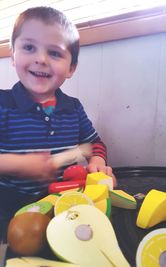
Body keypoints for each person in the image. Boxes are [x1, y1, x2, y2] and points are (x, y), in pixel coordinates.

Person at [0, 6, 116, 215]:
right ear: (13, 56)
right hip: (10, 210)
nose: (41, 59)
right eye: (29, 47)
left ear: (71, 68)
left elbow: (94, 144)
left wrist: (97, 161)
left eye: (54, 53)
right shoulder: (3, 104)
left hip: (63, 205)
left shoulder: (73, 108)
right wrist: (17, 163)